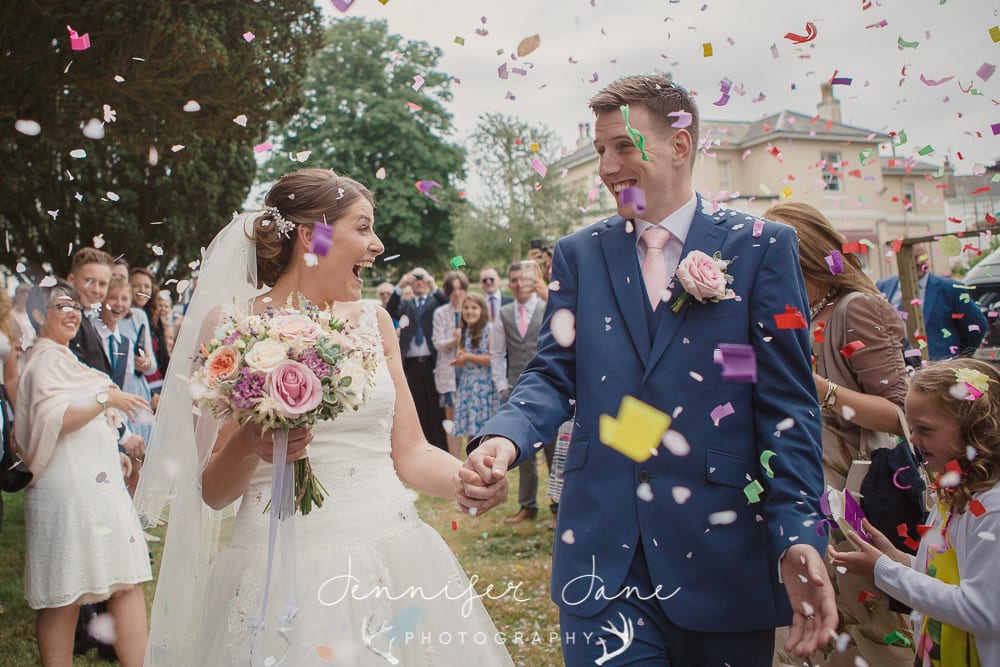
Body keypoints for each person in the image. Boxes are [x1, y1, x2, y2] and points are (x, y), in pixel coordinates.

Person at [463, 75, 835, 665]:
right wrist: (505, 440)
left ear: (680, 144)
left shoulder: (762, 247)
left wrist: (798, 533)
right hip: (603, 554)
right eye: (601, 149)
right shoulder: (579, 254)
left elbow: (787, 406)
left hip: (722, 547)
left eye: (624, 146)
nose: (607, 166)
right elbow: (554, 372)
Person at [135, 167, 511, 666]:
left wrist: (464, 478)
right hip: (273, 569)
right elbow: (213, 491)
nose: (377, 245)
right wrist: (252, 440)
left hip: (390, 552)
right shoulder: (229, 327)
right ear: (315, 235)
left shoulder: (374, 321)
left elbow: (412, 452)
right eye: (362, 227)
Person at [766, 201, 915, 666]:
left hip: (852, 492)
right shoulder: (789, 313)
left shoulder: (856, 309)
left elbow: (901, 414)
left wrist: (820, 389)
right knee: (805, 620)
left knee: (864, 620)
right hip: (799, 482)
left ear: (804, 254)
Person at [14, 280, 151, 666]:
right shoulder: (44, 359)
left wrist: (113, 449)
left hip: (94, 486)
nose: (74, 312)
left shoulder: (62, 357)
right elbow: (54, 419)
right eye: (62, 306)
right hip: (72, 494)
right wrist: (106, 397)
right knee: (65, 593)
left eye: (76, 306)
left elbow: (80, 416)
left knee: (119, 582)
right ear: (40, 315)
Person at [829, 358, 1000, 667]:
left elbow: (982, 611)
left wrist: (887, 570)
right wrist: (898, 559)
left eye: (924, 429)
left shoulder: (993, 507)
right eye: (911, 427)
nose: (913, 440)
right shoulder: (954, 495)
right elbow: (946, 579)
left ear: (976, 430)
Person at [490, 261, 555, 526]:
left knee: (554, 452)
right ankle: (527, 505)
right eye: (513, 280)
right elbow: (497, 353)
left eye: (523, 278)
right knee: (520, 449)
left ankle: (558, 507)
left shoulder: (548, 306)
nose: (519, 284)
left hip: (551, 387)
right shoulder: (504, 314)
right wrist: (502, 386)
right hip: (517, 387)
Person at [876, 244, 988, 361]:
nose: (919, 263)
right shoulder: (884, 286)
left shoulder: (950, 289)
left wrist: (959, 358)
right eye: (913, 258)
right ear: (900, 260)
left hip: (936, 368)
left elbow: (977, 326)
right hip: (896, 367)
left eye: (922, 257)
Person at [97, 276, 155, 492]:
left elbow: (151, 364)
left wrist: (145, 362)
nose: (119, 303)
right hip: (109, 399)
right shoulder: (94, 329)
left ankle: (134, 507)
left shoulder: (137, 319)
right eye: (113, 297)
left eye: (124, 298)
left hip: (131, 393)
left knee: (137, 454)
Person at [386, 268, 449, 451]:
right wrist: (401, 285)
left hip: (432, 362)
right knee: (417, 406)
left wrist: (433, 284)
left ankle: (440, 446)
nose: (419, 282)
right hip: (412, 364)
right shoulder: (406, 305)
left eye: (422, 279)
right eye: (416, 279)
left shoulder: (435, 303)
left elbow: (448, 303)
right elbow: (390, 310)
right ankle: (422, 446)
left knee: (435, 407)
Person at [432, 270, 469, 458]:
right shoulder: (440, 313)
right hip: (448, 373)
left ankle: (474, 460)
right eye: (453, 289)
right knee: (452, 419)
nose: (457, 293)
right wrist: (452, 340)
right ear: (447, 291)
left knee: (472, 418)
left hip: (470, 372)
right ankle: (454, 461)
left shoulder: (473, 309)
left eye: (460, 288)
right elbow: (437, 343)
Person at [452, 293, 499, 439]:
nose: (469, 311)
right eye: (466, 308)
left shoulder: (489, 330)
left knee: (486, 432)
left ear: (482, 310)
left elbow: (493, 358)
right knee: (471, 432)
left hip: (485, 385)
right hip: (468, 385)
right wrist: (459, 361)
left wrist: (468, 357)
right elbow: (463, 359)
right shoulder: (464, 332)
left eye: (474, 307)